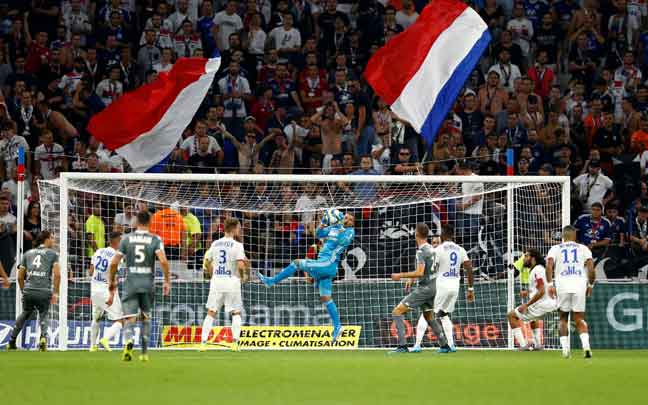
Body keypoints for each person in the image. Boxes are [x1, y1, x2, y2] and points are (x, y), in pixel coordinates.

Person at [258, 210, 355, 343]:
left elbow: (343, 241)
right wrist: (324, 222)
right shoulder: (333, 228)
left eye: (349, 219)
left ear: (352, 223)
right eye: (345, 217)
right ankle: (337, 326)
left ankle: (271, 281)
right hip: (323, 265)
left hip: (327, 264)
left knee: (297, 263)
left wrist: (339, 226)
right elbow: (318, 234)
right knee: (325, 297)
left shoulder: (349, 232)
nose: (346, 220)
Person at [108, 211, 170, 362]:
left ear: (136, 222)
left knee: (129, 317)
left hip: (131, 282)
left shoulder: (126, 239)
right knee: (146, 317)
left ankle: (128, 340)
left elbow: (115, 262)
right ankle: (143, 352)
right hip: (147, 282)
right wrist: (167, 280)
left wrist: (111, 280)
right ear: (150, 222)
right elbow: (163, 261)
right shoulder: (155, 239)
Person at [409, 225, 473, 353]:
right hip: (455, 286)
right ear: (453, 235)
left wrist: (412, 279)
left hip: (441, 285)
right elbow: (469, 268)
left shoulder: (439, 249)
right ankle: (451, 345)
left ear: (442, 235)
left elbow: (427, 267)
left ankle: (417, 345)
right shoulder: (460, 249)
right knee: (444, 314)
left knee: (427, 312)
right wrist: (470, 288)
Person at [200, 218, 249, 351]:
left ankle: (203, 343)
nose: (239, 230)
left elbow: (206, 261)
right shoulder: (237, 245)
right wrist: (242, 275)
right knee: (236, 312)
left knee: (211, 312)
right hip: (232, 281)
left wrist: (212, 274)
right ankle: (234, 343)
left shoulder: (215, 243)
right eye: (238, 227)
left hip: (217, 281)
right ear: (233, 229)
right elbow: (240, 263)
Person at [6, 231, 60, 351]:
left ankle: (11, 341)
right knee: (44, 313)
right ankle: (43, 338)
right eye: (52, 238)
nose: (54, 241)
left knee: (25, 312)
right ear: (46, 239)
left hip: (29, 289)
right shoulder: (53, 254)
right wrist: (56, 293)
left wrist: (23, 290)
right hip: (44, 290)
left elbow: (20, 276)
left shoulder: (27, 254)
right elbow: (57, 275)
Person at [546, 225, 595, 358]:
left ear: (563, 236)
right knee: (579, 318)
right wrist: (590, 284)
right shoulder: (583, 248)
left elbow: (549, 265)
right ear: (574, 236)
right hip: (579, 284)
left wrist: (550, 284)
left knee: (563, 318)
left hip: (562, 284)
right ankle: (586, 347)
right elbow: (591, 267)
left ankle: (565, 351)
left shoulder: (555, 248)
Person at [507, 249, 557, 351]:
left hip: (543, 304)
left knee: (511, 315)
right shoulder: (539, 269)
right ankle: (538, 344)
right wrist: (528, 292)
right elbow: (540, 288)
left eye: (526, 256)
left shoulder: (537, 270)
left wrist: (526, 305)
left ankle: (523, 345)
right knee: (532, 318)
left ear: (532, 258)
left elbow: (542, 291)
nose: (524, 259)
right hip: (550, 303)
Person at [88, 232, 124, 352]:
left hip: (94, 289)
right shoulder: (117, 255)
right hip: (106, 290)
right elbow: (114, 277)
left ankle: (93, 346)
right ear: (117, 241)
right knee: (120, 320)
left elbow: (91, 271)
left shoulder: (98, 251)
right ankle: (105, 339)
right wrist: (112, 294)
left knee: (96, 318)